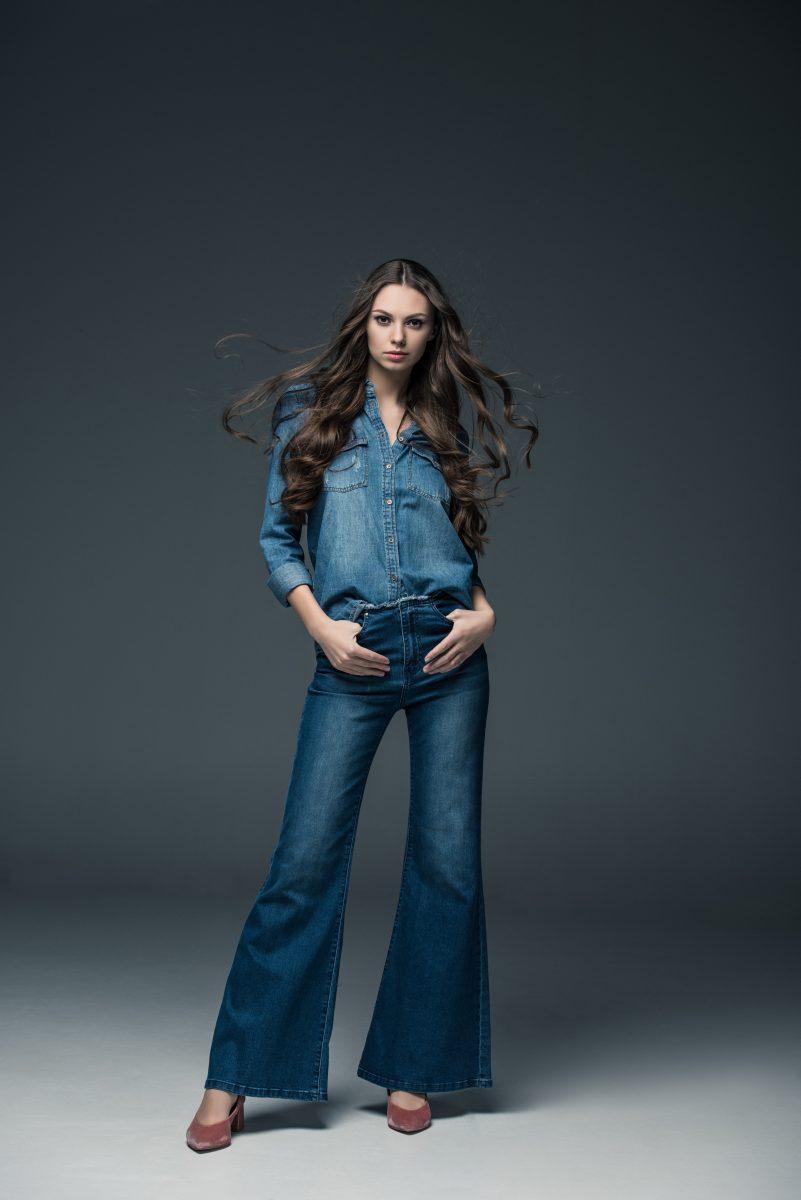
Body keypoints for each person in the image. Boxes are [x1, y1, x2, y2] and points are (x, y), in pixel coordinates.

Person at [186, 258, 538, 1150]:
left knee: (447, 865)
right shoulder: (310, 409)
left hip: (452, 652)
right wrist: (322, 630)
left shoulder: (437, 418)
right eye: (384, 318)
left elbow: (452, 540)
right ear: (363, 324)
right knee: (303, 864)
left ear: (431, 334)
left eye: (414, 322)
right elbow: (277, 538)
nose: (396, 334)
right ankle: (235, 1076)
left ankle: (414, 1066)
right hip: (354, 651)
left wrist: (488, 609)